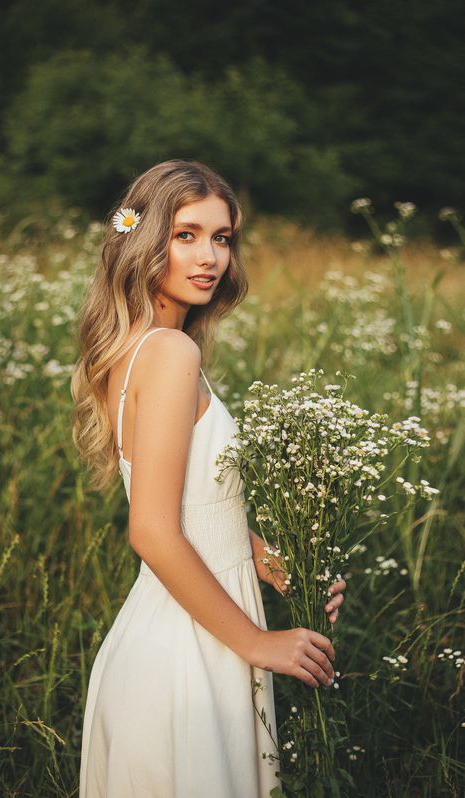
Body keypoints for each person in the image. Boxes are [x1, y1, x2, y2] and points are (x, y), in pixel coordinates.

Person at [71, 159, 346, 797]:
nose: (209, 257)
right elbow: (153, 532)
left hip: (191, 629)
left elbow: (203, 509)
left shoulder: (142, 346)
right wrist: (258, 643)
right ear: (143, 241)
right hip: (186, 654)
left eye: (221, 238)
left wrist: (284, 567)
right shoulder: (169, 353)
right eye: (185, 234)